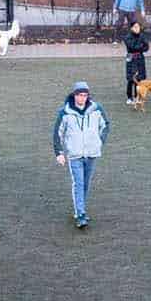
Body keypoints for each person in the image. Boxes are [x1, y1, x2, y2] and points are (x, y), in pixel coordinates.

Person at [52, 81, 109, 229]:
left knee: (86, 183)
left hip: (92, 153)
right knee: (78, 183)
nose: (82, 98)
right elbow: (57, 133)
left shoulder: (96, 109)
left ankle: (80, 209)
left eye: (85, 95)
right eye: (80, 95)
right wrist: (59, 152)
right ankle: (81, 213)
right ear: (74, 95)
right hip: (75, 154)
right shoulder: (64, 113)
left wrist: (99, 142)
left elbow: (105, 125)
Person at [122, 18, 150, 105]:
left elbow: (147, 47)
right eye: (135, 27)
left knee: (140, 78)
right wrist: (141, 46)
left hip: (140, 58)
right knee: (131, 78)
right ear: (131, 28)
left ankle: (137, 97)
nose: (137, 28)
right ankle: (129, 97)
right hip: (131, 58)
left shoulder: (142, 36)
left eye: (138, 27)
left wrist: (140, 46)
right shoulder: (127, 37)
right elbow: (132, 48)